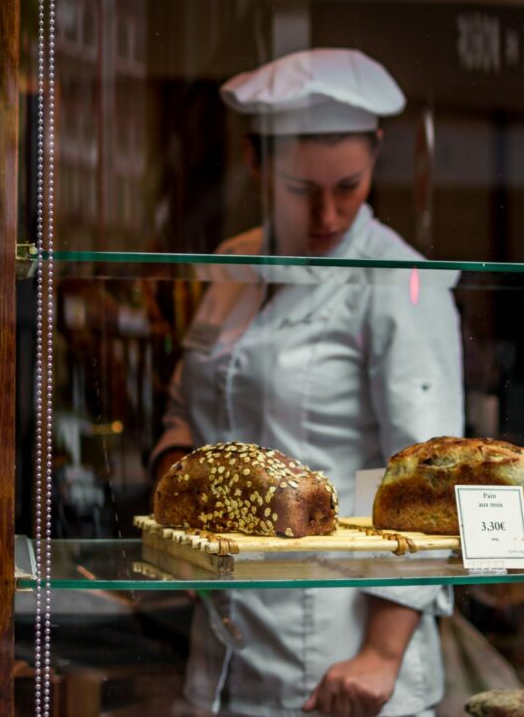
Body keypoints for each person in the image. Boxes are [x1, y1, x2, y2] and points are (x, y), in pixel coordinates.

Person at [151, 49, 465, 717]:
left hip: (340, 663)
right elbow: (187, 409)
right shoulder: (232, 265)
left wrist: (381, 655)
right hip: (220, 647)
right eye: (301, 190)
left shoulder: (401, 282)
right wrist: (180, 493)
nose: (328, 215)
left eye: (348, 186)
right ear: (255, 161)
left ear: (378, 155)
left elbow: (428, 485)